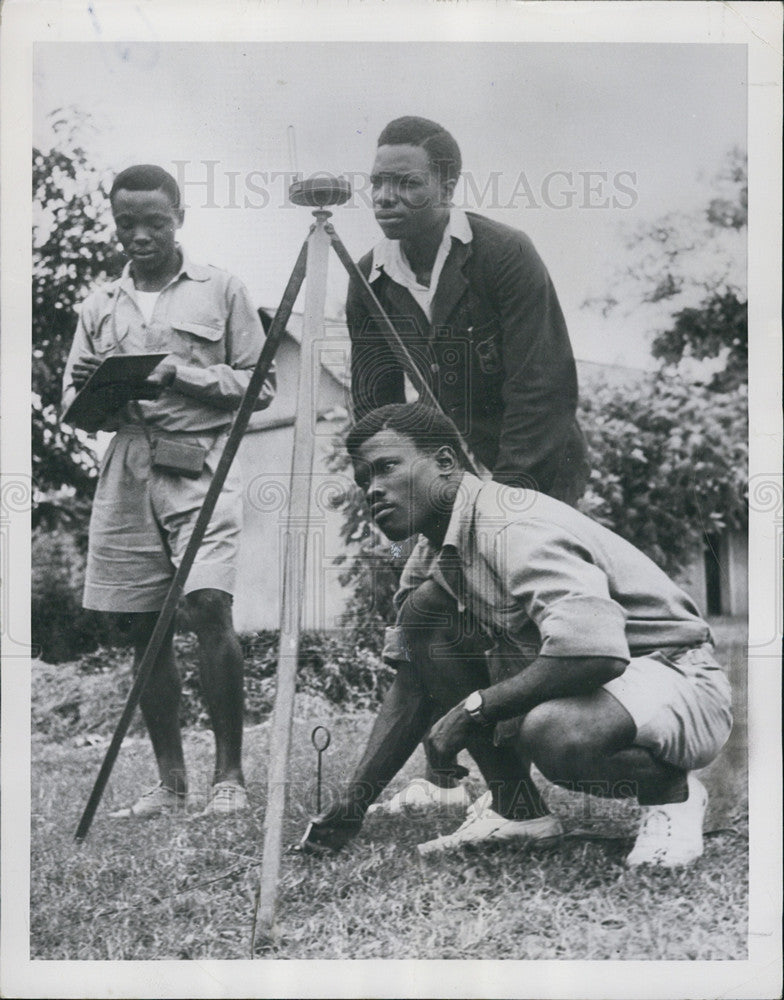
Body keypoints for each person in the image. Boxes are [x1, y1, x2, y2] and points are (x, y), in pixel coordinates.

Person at [301, 404, 733, 866]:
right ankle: (518, 811)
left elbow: (595, 653)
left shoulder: (509, 523)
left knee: (556, 732)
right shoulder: (432, 554)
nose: (373, 490)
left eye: (387, 467)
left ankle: (672, 794)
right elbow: (412, 685)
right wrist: (355, 801)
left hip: (674, 673)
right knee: (424, 615)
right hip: (607, 684)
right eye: (364, 479)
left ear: (446, 463)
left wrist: (475, 710)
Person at [346, 116, 588, 811]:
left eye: (406, 182)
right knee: (427, 620)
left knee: (524, 623)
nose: (386, 197)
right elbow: (375, 409)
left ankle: (636, 762)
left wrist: (505, 503)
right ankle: (462, 785)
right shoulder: (368, 279)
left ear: (448, 184)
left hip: (536, 468)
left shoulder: (504, 253)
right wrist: (392, 486)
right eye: (378, 184)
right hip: (452, 478)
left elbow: (542, 388)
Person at [61, 164, 275, 817]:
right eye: (127, 223)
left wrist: (180, 375)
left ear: (179, 217)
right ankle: (170, 782)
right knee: (142, 626)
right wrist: (101, 396)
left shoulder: (222, 289)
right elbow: (72, 398)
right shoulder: (98, 305)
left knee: (208, 604)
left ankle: (229, 780)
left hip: (196, 459)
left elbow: (260, 384)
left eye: (154, 222)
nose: (140, 236)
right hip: (127, 464)